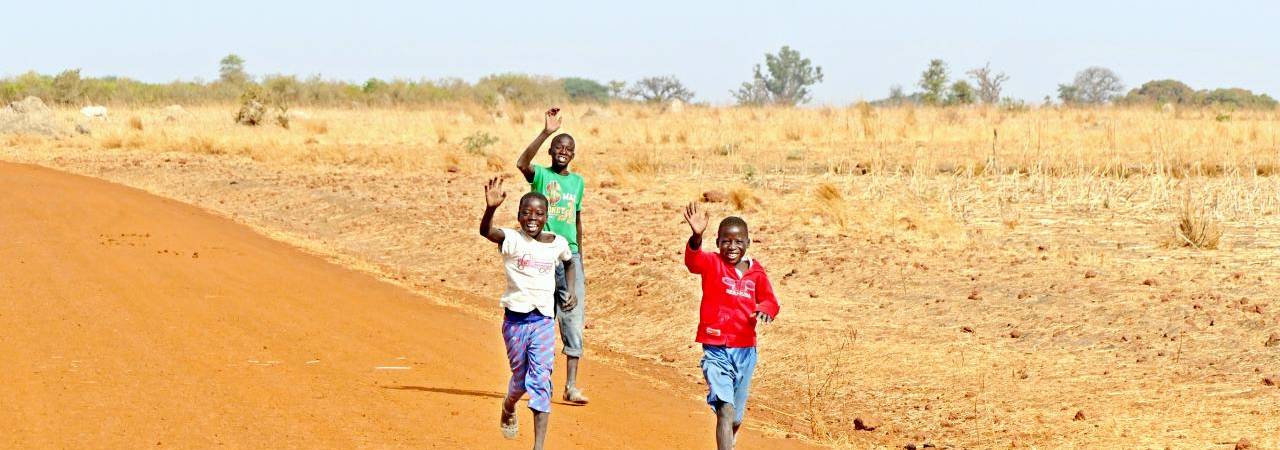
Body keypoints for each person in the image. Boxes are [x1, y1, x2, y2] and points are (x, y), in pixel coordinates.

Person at [479, 176, 577, 450]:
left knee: (540, 380)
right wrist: (490, 209)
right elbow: (487, 232)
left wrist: (570, 290)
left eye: (538, 213)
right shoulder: (511, 239)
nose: (532, 218)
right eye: (526, 213)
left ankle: (538, 446)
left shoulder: (557, 243)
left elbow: (570, 263)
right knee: (520, 381)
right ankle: (509, 405)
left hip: (543, 321)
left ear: (547, 217)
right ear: (519, 216)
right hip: (514, 322)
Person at [681, 202, 780, 450]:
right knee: (724, 409)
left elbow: (769, 299)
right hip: (715, 349)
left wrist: (766, 310)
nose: (732, 247)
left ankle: (729, 441)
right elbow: (693, 262)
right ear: (717, 243)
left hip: (745, 350)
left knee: (735, 415)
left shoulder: (756, 272)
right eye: (726, 241)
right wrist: (696, 237)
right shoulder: (712, 263)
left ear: (747, 243)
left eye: (738, 242)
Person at [515, 107, 590, 404]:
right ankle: (535, 379)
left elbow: (577, 218)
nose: (563, 151)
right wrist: (546, 130)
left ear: (573, 154)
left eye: (568, 148)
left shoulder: (578, 182)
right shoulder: (542, 176)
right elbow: (521, 162)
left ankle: (571, 386)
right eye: (558, 146)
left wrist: (579, 255)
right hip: (543, 256)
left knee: (573, 318)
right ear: (550, 151)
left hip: (570, 257)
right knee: (541, 318)